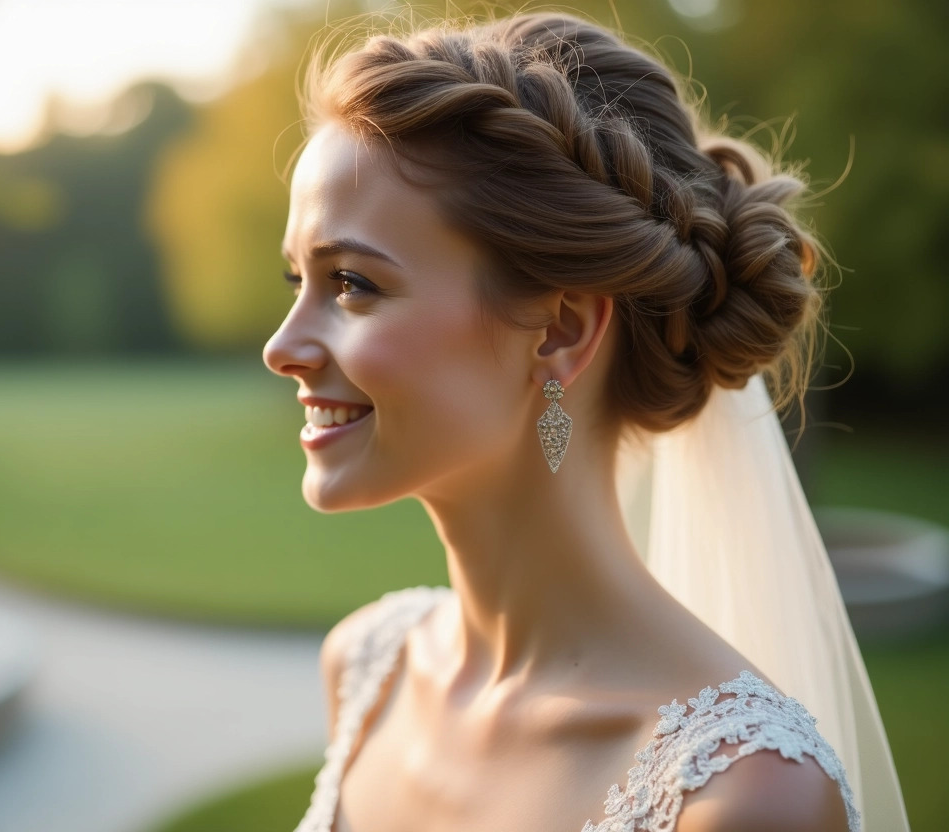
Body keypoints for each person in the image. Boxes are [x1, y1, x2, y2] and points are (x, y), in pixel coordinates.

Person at [262, 11, 908, 832]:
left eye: (352, 283)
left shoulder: (739, 796)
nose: (282, 347)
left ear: (563, 329)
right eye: (298, 281)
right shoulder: (366, 665)